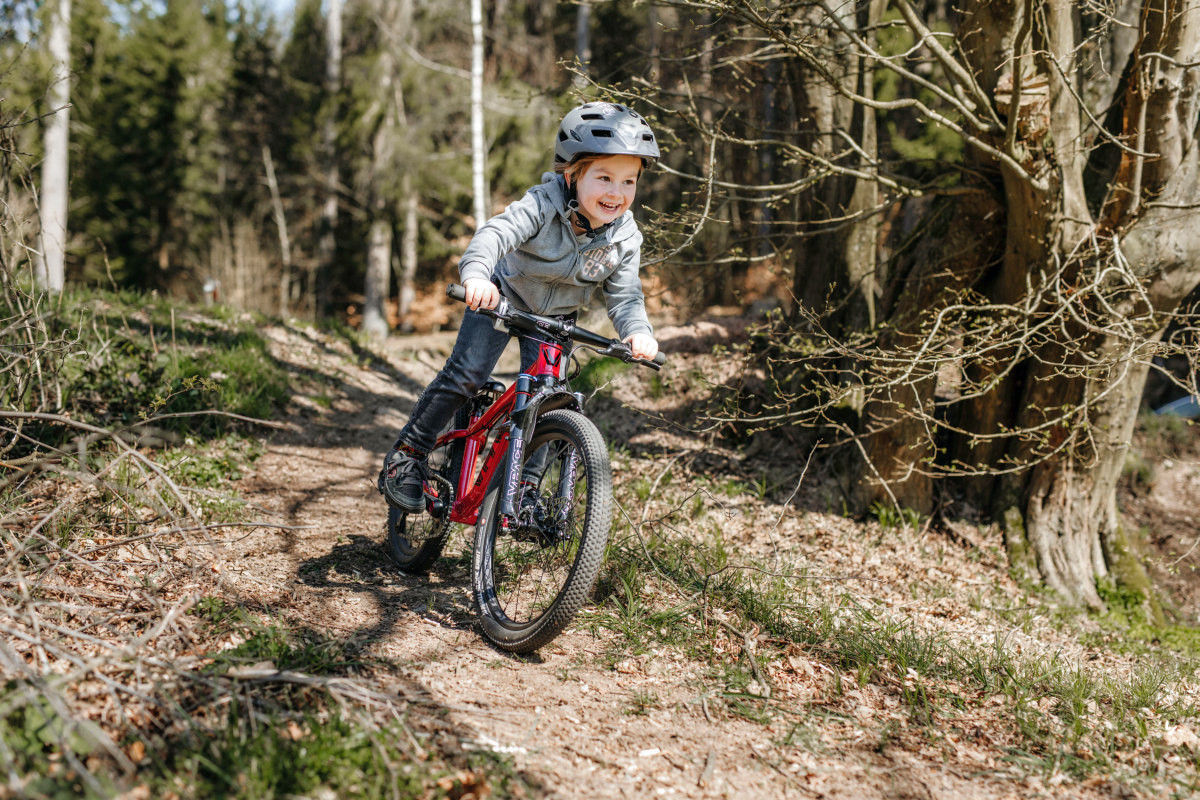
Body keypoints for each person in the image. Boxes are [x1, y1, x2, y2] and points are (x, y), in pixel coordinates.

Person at [379, 101, 662, 513]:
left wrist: (638, 332)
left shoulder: (625, 237)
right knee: (468, 374)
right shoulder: (543, 203)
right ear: (573, 175)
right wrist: (476, 275)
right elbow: (497, 233)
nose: (616, 193)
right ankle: (409, 454)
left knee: (549, 397)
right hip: (502, 295)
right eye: (604, 177)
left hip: (556, 318)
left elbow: (625, 295)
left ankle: (525, 488)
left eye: (628, 181)